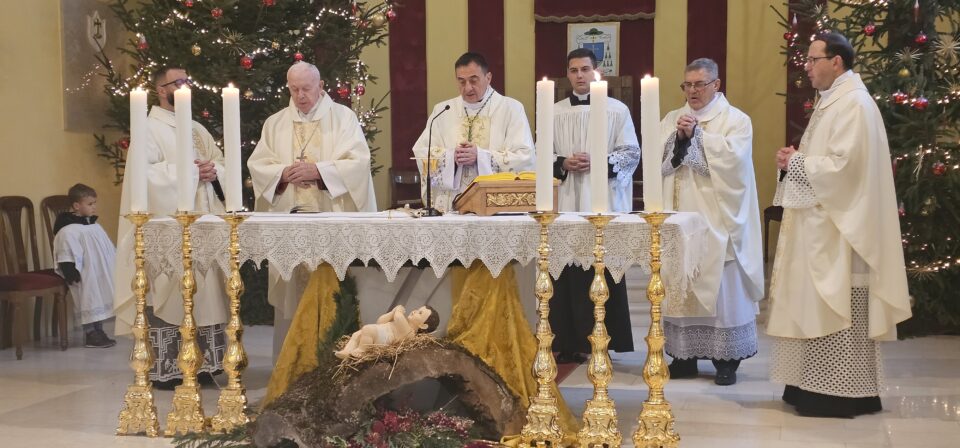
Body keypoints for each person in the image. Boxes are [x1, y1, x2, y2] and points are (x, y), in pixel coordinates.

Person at [767, 32, 912, 417]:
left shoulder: (854, 104)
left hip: (842, 231)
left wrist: (796, 163)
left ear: (837, 61)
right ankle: (808, 386)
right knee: (815, 304)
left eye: (813, 59)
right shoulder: (832, 101)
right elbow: (827, 160)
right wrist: (795, 160)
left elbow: (846, 169)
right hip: (823, 224)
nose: (807, 67)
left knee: (837, 306)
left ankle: (839, 393)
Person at [248, 61, 377, 351]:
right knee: (292, 293)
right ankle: (292, 365)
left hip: (332, 224)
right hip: (290, 226)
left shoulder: (343, 118)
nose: (300, 95)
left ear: (320, 87)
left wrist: (319, 172)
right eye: (294, 89)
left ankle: (335, 358)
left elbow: (359, 163)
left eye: (306, 88)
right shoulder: (276, 123)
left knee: (335, 292)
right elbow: (258, 165)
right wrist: (283, 174)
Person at [113, 65, 228, 389]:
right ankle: (169, 368)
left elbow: (221, 162)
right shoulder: (148, 128)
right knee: (170, 290)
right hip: (170, 228)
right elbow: (145, 177)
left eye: (187, 81)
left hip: (204, 225)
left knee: (208, 292)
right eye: (178, 82)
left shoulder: (196, 128)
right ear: (161, 90)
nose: (185, 86)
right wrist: (191, 172)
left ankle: (206, 364)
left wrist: (212, 170)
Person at [659, 58, 765, 385]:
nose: (692, 91)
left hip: (718, 220)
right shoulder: (671, 118)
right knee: (681, 284)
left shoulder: (736, 120)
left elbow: (734, 165)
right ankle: (684, 355)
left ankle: (726, 358)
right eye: (687, 85)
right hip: (680, 220)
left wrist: (697, 138)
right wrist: (677, 141)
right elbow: (659, 164)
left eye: (699, 84)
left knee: (720, 287)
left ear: (716, 85)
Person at [549, 48, 638, 363]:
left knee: (603, 269)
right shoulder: (554, 110)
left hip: (603, 201)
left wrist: (599, 162)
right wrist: (563, 162)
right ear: (568, 74)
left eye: (585, 69)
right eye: (573, 70)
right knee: (568, 273)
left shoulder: (617, 110)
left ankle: (604, 341)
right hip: (567, 200)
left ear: (596, 71)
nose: (579, 76)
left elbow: (630, 153)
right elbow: (538, 154)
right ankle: (569, 342)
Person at [412, 52, 534, 212]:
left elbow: (525, 156)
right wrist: (451, 157)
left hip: (494, 204)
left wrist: (481, 156)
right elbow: (422, 153)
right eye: (461, 81)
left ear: (488, 77)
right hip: (451, 206)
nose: (467, 88)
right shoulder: (442, 110)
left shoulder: (511, 109)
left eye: (473, 80)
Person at [53, 183, 116, 348]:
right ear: (76, 206)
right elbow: (65, 251)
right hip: (82, 273)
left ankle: (99, 330)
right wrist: (69, 270)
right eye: (90, 204)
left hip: (98, 271)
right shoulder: (68, 230)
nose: (94, 207)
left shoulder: (94, 226)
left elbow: (107, 248)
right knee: (87, 298)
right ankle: (90, 333)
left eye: (95, 203)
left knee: (98, 296)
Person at [334, 305, 440, 359]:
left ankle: (361, 350)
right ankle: (347, 351)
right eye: (417, 309)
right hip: (379, 332)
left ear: (423, 325)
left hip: (383, 340)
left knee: (367, 329)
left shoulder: (410, 333)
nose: (414, 311)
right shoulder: (401, 320)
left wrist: (398, 311)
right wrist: (392, 312)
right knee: (356, 334)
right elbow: (380, 321)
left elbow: (398, 318)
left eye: (420, 313)